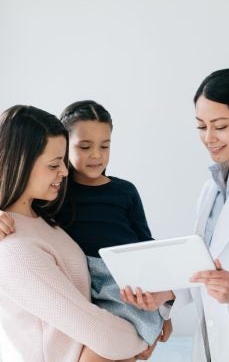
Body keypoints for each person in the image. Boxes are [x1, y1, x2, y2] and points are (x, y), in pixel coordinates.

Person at [0, 102, 171, 360]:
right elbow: (106, 338)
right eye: (54, 164)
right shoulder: (15, 246)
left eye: (105, 145)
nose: (64, 171)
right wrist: (142, 337)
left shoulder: (43, 214)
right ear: (20, 162)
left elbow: (148, 247)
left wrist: (162, 310)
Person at [121, 69, 229, 362]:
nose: (209, 138)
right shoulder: (211, 189)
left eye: (219, 126)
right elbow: (203, 269)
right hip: (212, 345)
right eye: (200, 126)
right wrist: (167, 294)